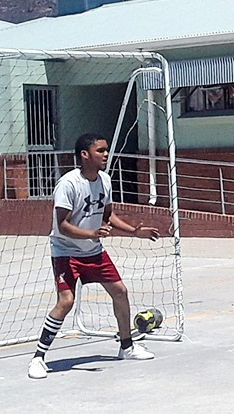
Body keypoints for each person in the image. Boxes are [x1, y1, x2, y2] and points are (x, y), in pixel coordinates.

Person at [28, 132, 160, 380]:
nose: (105, 154)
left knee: (120, 291)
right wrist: (91, 233)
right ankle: (38, 358)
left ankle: (126, 346)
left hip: (93, 251)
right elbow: (62, 225)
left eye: (106, 150)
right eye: (100, 150)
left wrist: (134, 232)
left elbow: (107, 215)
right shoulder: (68, 184)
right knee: (66, 301)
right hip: (66, 251)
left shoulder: (105, 181)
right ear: (84, 155)